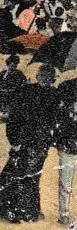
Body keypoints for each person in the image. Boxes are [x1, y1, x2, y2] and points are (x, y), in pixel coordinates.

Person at [0, 65, 59, 223]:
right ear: (38, 75)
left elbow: (54, 120)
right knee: (17, 174)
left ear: (52, 79)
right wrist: (14, 140)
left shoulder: (54, 94)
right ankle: (12, 209)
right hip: (25, 140)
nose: (45, 79)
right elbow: (14, 117)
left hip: (39, 143)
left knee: (31, 176)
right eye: (43, 75)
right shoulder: (27, 91)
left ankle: (28, 210)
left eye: (48, 77)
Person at [57, 76, 77, 225]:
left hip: (68, 142)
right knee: (66, 181)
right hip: (69, 143)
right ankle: (64, 213)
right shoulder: (66, 87)